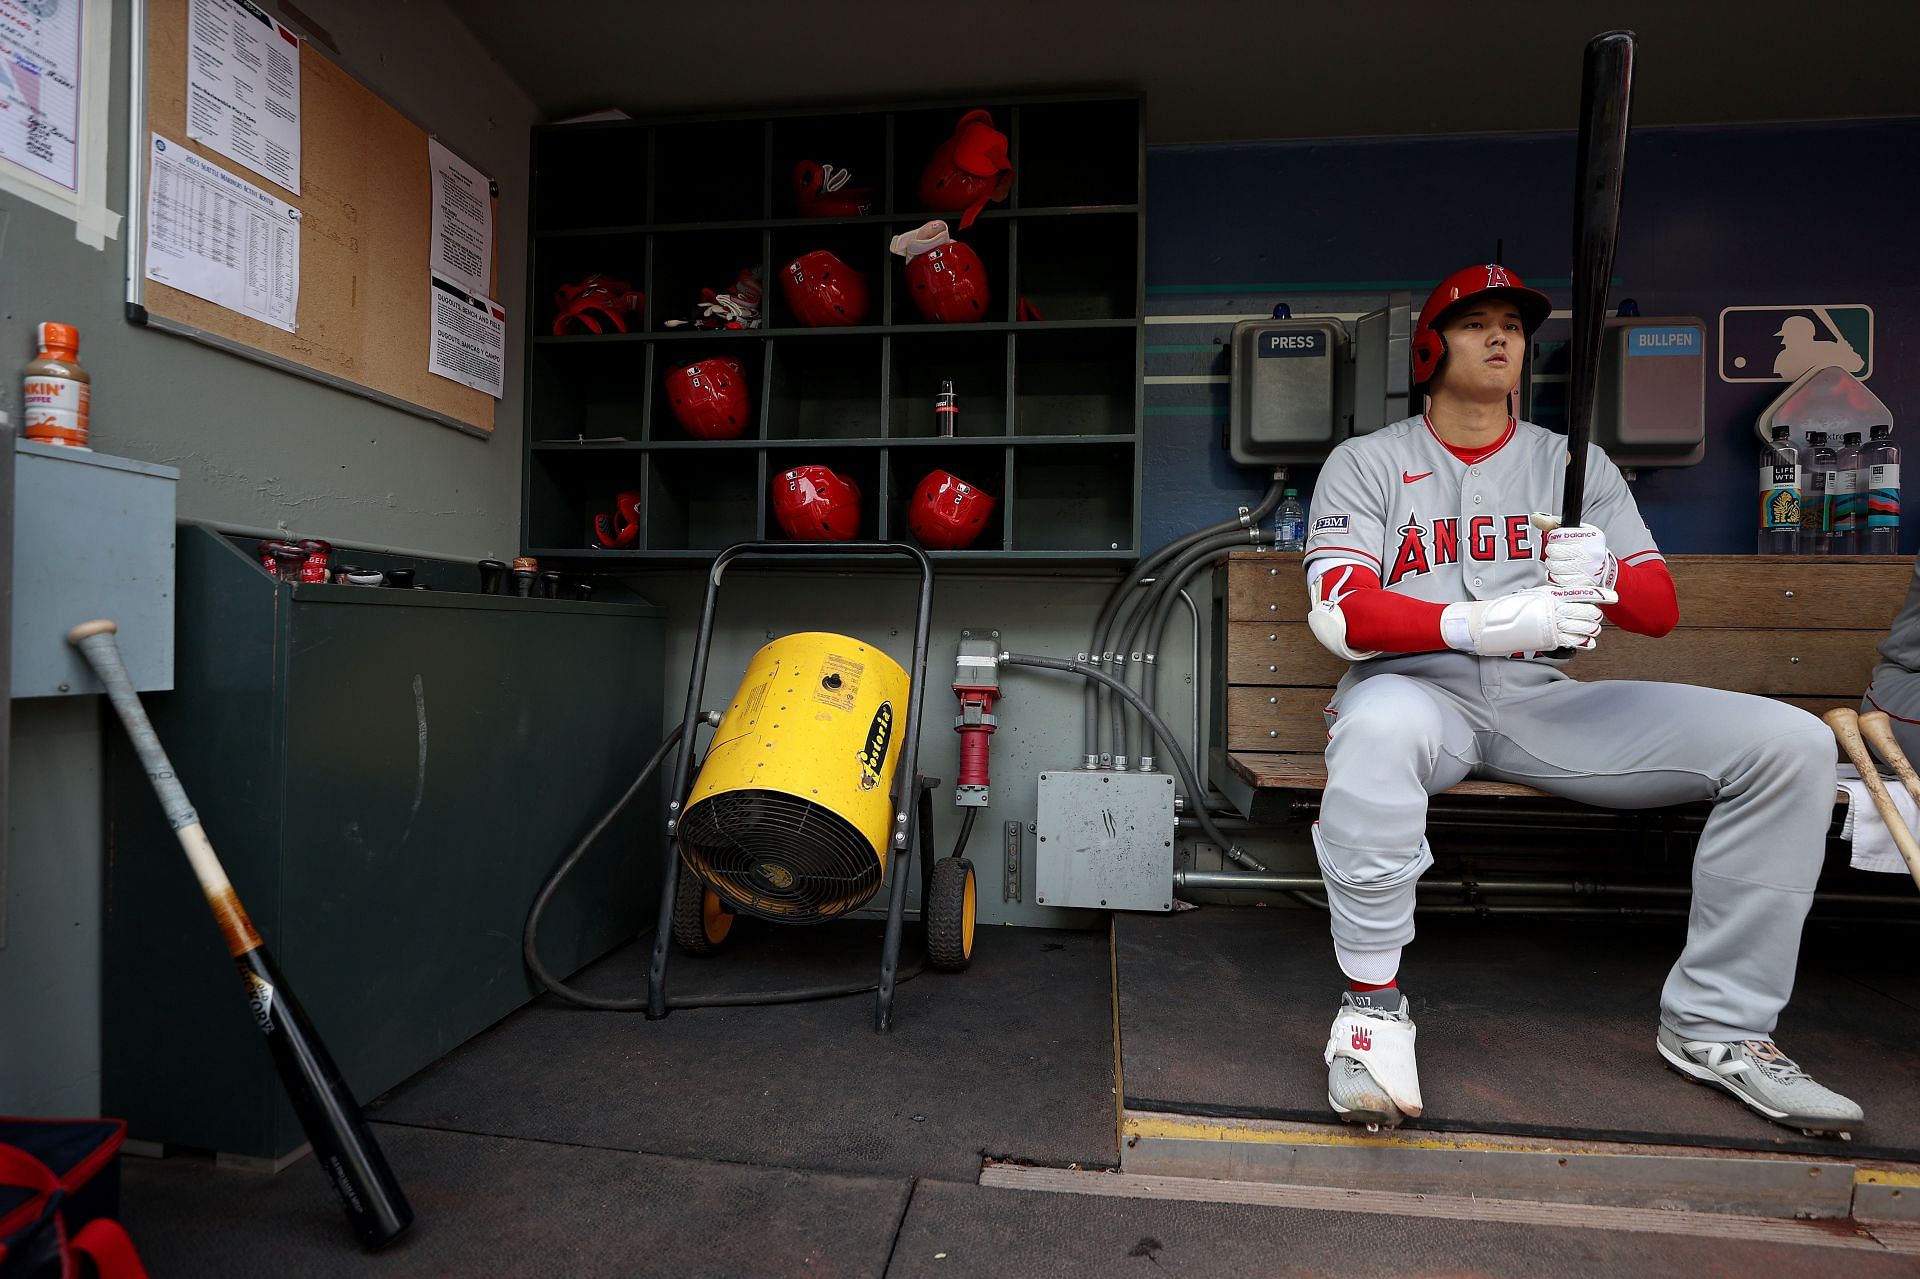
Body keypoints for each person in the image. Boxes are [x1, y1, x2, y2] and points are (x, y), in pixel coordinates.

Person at [1301, 263, 1863, 1137]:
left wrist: (1602, 574)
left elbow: (1659, 608)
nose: (1500, 337)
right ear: (1427, 346)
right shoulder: (1368, 463)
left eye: (1515, 326)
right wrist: (1481, 621)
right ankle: (1370, 1013)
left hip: (1542, 707)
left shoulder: (1574, 465)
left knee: (1791, 744)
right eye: (1475, 321)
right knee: (1375, 724)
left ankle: (1719, 1028)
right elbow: (1343, 614)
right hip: (1414, 695)